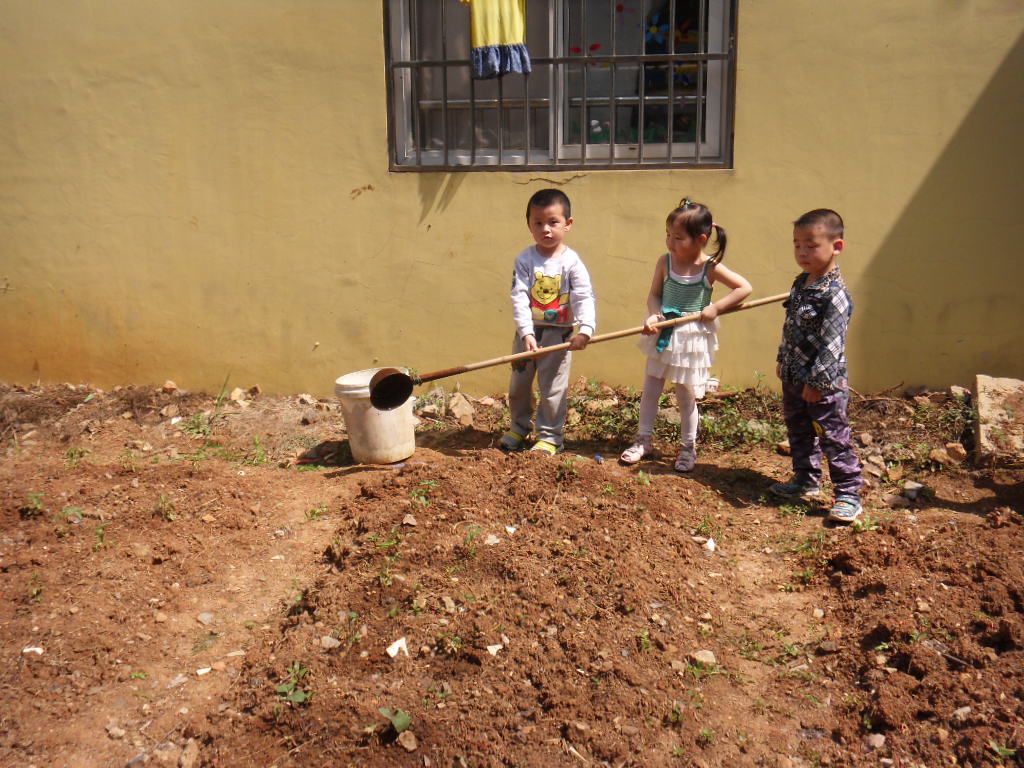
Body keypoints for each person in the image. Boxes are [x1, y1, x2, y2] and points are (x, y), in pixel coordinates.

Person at [619, 198, 751, 471]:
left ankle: (688, 446)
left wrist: (716, 307)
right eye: (668, 235)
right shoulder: (665, 262)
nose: (670, 242)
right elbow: (654, 294)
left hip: (691, 338)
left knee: (685, 394)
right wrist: (654, 315)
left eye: (678, 237)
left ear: (701, 239)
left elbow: (743, 288)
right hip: (665, 331)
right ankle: (643, 439)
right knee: (651, 388)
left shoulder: (710, 267)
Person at [769, 208, 864, 523]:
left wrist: (817, 383)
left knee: (832, 435)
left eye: (811, 245)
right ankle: (806, 481)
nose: (802, 252)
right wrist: (784, 360)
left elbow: (832, 344)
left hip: (822, 386)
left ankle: (849, 494)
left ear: (837, 246)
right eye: (797, 244)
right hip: (795, 377)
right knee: (799, 431)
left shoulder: (833, 295)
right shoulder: (801, 283)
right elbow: (791, 327)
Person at [500, 189, 596, 455]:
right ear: (529, 224)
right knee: (518, 386)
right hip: (526, 336)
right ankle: (519, 426)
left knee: (552, 388)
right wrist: (526, 333)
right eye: (538, 223)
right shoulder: (525, 260)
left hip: (558, 337)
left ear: (568, 224)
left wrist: (585, 330)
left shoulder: (572, 262)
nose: (546, 229)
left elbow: (584, 296)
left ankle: (551, 436)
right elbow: (519, 297)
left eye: (553, 222)